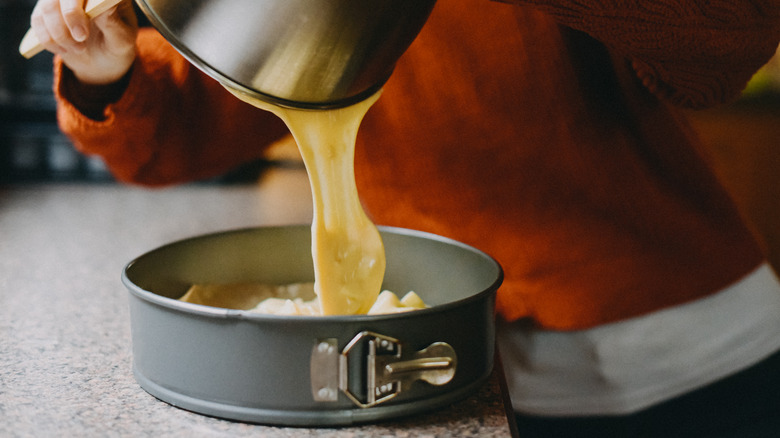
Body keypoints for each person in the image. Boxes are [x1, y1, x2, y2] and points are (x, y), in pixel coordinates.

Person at [30, 0, 780, 435]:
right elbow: (180, 131)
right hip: (443, 378)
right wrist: (107, 64)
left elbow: (733, 38)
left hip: (686, 350)